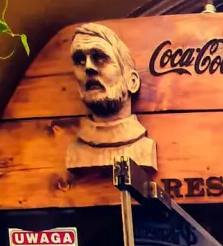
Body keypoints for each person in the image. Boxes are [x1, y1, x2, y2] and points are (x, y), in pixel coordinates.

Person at [66, 22, 157, 170]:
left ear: (132, 81)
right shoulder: (75, 152)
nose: (88, 67)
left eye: (100, 58)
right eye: (80, 61)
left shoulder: (143, 148)